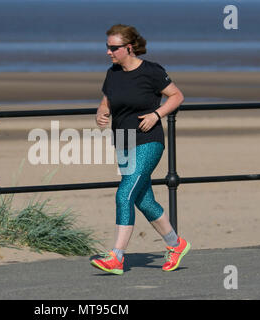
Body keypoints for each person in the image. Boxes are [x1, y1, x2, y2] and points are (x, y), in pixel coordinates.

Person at [90, 24, 189, 274]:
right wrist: (101, 113)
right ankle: (176, 245)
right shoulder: (112, 73)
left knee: (124, 195)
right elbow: (106, 102)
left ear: (129, 48)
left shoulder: (152, 72)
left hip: (149, 141)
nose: (109, 52)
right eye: (107, 47)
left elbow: (177, 96)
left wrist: (157, 114)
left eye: (113, 48)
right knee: (144, 200)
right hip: (122, 142)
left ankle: (117, 257)